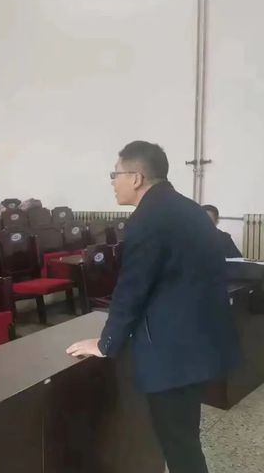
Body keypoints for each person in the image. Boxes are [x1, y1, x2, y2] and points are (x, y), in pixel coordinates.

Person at [66, 141, 240, 473]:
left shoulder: (148, 218)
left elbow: (132, 288)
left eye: (115, 174)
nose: (112, 182)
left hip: (173, 353)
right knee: (185, 437)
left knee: (180, 447)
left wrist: (105, 343)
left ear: (136, 178)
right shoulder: (189, 209)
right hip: (200, 343)